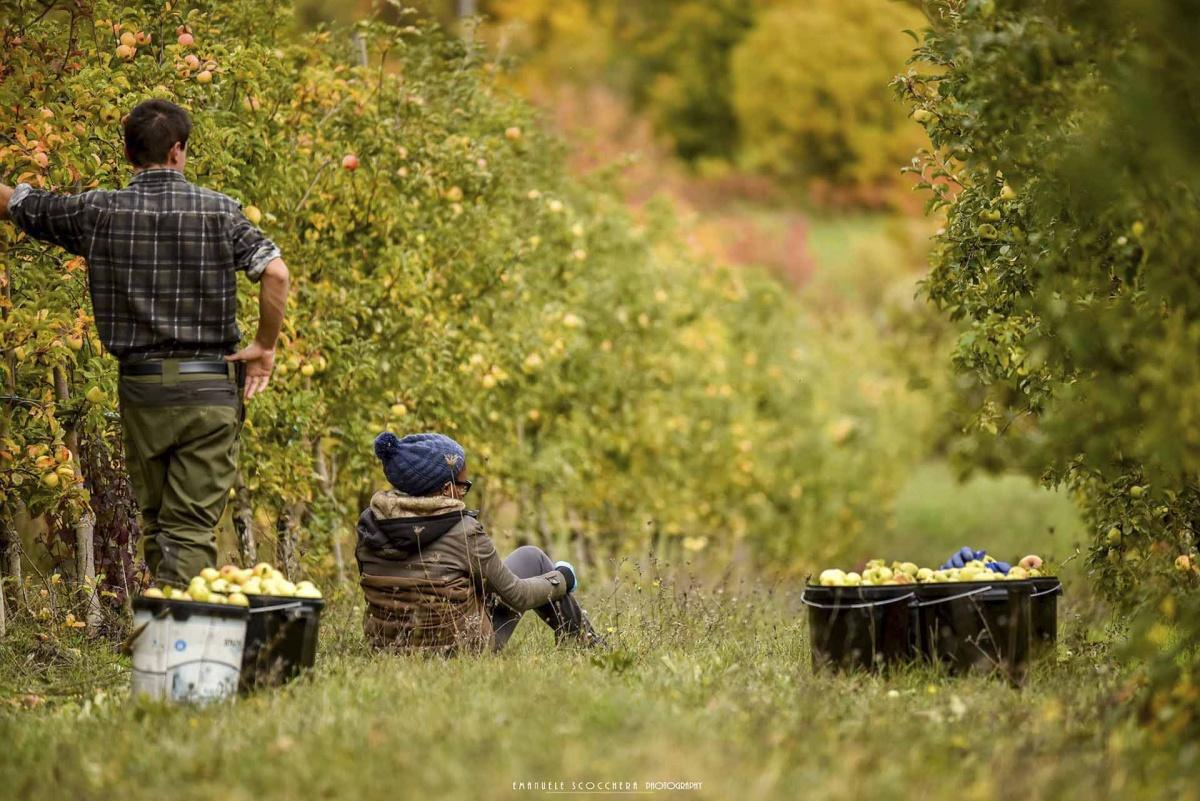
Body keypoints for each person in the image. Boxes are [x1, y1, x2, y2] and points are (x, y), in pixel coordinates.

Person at [0, 99, 290, 587]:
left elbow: (15, 202)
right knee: (190, 527)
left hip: (143, 391)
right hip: (207, 391)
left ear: (129, 152)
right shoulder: (221, 211)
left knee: (158, 524)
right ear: (177, 151)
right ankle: (178, 641)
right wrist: (265, 346)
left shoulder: (97, 211)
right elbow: (276, 272)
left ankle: (165, 633)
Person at [356, 432, 605, 654]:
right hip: (458, 649)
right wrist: (562, 578)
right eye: (463, 486)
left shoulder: (370, 524)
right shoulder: (464, 531)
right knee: (533, 559)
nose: (465, 493)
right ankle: (590, 647)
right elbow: (517, 596)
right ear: (446, 489)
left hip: (386, 646)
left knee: (525, 559)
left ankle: (586, 645)